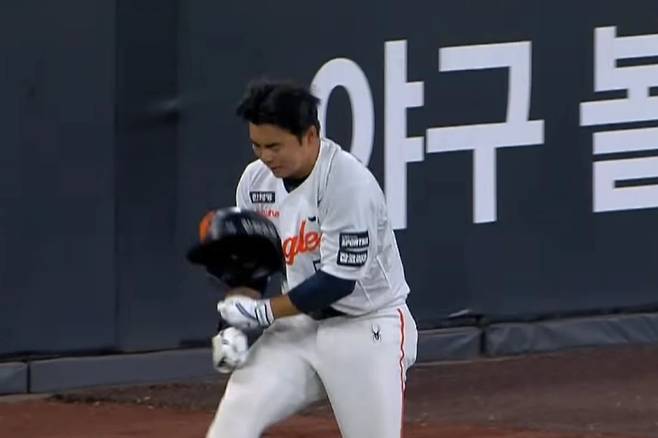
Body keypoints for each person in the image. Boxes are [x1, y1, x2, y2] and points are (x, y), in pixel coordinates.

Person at [207, 79, 418, 438]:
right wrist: (232, 326)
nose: (265, 156)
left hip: (366, 327)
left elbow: (337, 282)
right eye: (257, 145)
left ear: (309, 136)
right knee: (233, 420)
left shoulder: (348, 183)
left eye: (275, 146)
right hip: (297, 327)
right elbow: (252, 265)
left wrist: (263, 312)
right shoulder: (256, 181)